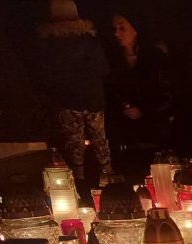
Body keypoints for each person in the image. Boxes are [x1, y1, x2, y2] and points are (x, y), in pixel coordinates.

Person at [35, 0, 112, 181]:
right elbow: (104, 69)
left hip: (67, 99)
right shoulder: (90, 41)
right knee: (100, 140)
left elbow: (45, 75)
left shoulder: (49, 44)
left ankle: (78, 180)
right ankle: (108, 177)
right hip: (93, 97)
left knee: (74, 144)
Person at [104, 8, 173, 173]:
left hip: (154, 135)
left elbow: (167, 93)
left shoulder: (154, 57)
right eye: (115, 28)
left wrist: (144, 111)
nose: (117, 33)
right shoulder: (113, 60)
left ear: (136, 29)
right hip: (124, 137)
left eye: (122, 28)